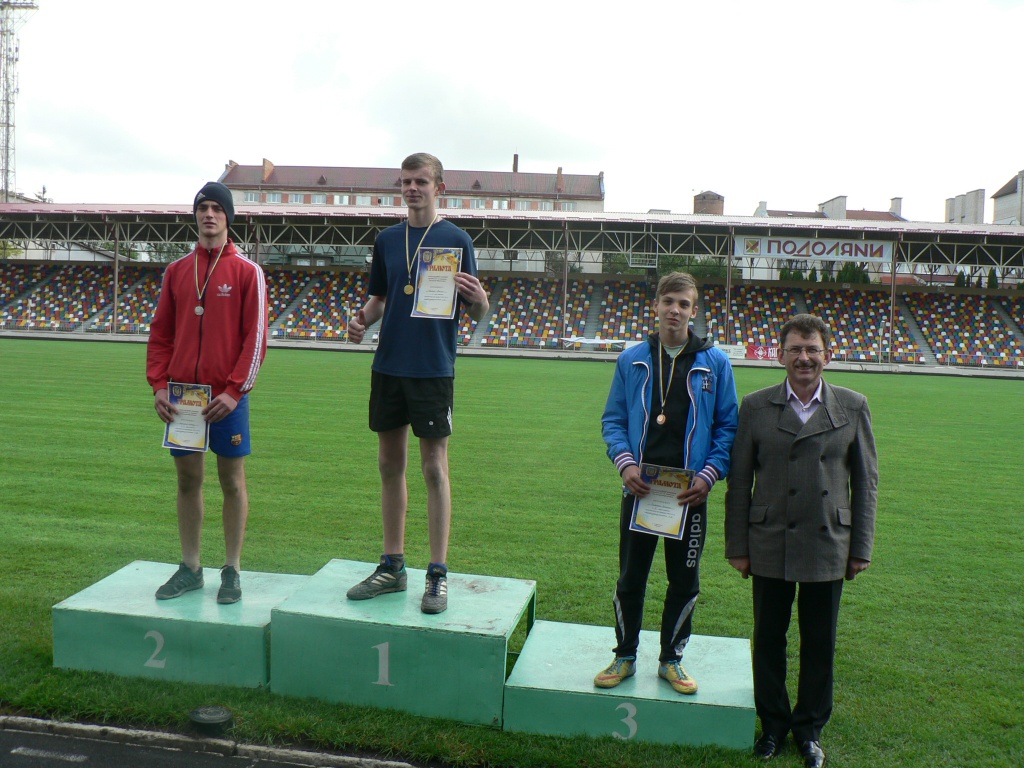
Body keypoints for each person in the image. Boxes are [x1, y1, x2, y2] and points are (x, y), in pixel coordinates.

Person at [724, 313, 878, 768]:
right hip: (769, 538)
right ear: (780, 355)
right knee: (769, 638)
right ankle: (772, 725)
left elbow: (866, 482)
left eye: (812, 349)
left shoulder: (853, 405)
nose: (804, 358)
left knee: (819, 641)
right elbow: (739, 481)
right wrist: (737, 546)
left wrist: (861, 547)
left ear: (827, 355)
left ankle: (809, 731)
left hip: (828, 541)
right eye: (795, 349)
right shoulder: (755, 406)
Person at [346, 153, 489, 615]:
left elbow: (476, 310)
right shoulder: (388, 239)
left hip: (432, 368)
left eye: (421, 181)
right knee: (389, 465)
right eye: (406, 181)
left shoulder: (457, 239)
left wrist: (481, 300)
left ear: (439, 187)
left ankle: (437, 573)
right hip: (389, 365)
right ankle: (392, 566)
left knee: (433, 469)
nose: (412, 188)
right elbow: (380, 298)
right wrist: (361, 320)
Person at [596, 272, 738, 694]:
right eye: (668, 301)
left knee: (684, 581)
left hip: (689, 494)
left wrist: (709, 475)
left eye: (684, 304)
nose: (675, 310)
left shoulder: (715, 362)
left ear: (694, 311)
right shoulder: (633, 359)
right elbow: (613, 420)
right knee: (630, 578)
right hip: (641, 490)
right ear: (655, 305)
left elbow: (728, 427)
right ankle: (624, 656)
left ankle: (671, 660)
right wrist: (625, 464)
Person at [147, 181, 268, 604]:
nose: (209, 214)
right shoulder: (177, 271)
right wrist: (159, 386)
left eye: (217, 208)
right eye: (203, 208)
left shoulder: (247, 272)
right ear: (195, 215)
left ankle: (231, 569)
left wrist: (235, 391)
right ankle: (191, 567)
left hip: (226, 398)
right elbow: (161, 333)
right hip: (183, 398)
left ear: (228, 216)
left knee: (231, 481)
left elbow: (256, 339)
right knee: (187, 480)